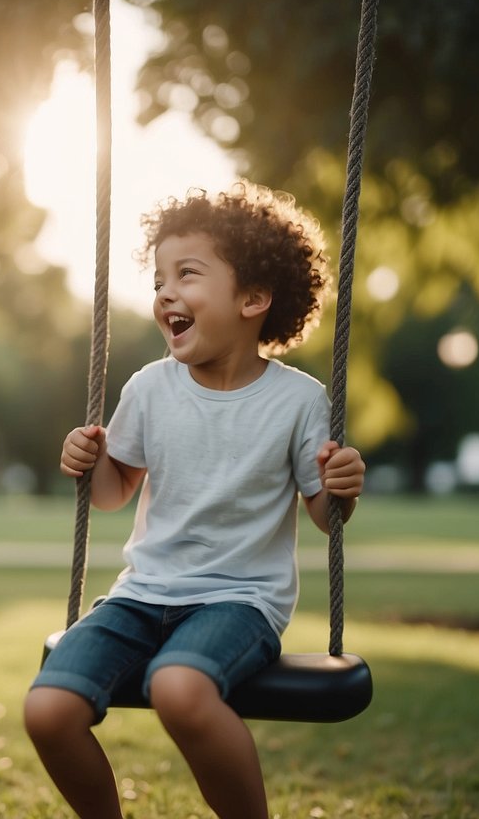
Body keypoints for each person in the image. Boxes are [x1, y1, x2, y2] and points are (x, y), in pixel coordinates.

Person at [24, 183, 366, 819]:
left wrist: (342, 486)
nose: (165, 292)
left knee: (178, 687)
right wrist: (86, 461)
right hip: (140, 596)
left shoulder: (299, 401)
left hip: (239, 602)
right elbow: (112, 493)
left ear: (253, 299)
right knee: (47, 709)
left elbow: (325, 516)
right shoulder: (150, 387)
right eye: (158, 278)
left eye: (187, 274)